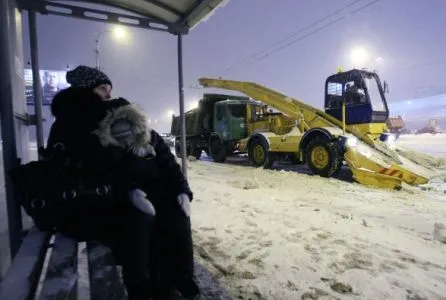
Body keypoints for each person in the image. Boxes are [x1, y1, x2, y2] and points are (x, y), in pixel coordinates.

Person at [51, 65, 198, 298]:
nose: (108, 94)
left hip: (131, 192)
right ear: (86, 90)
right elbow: (93, 168)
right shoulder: (84, 124)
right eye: (102, 89)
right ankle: (142, 286)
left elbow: (166, 158)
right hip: (97, 202)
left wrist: (180, 188)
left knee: (173, 210)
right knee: (141, 217)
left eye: (110, 89)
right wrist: (129, 189)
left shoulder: (125, 118)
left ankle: (177, 279)